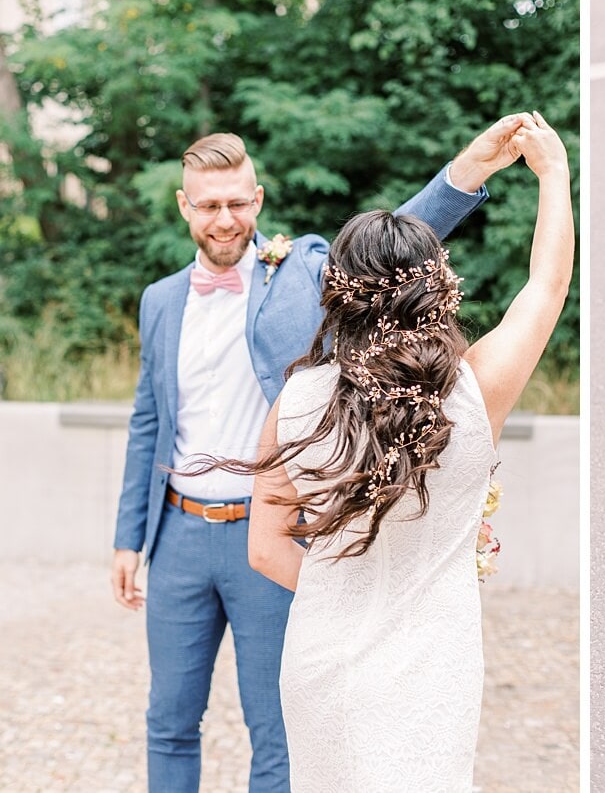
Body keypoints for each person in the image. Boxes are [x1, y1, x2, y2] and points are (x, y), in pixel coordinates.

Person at [109, 114, 526, 792]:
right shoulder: (159, 302)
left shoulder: (298, 274)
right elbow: (147, 421)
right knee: (169, 719)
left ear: (259, 199)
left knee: (277, 728)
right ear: (184, 205)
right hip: (178, 533)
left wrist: (470, 169)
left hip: (269, 530)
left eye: (238, 203)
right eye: (209, 205)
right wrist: (130, 538)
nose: (225, 219)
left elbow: (394, 246)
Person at [210, 111, 570, 790]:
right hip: (435, 662)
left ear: (338, 293)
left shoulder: (295, 402)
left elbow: (266, 548)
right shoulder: (474, 391)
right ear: (432, 288)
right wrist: (553, 175)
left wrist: (345, 588)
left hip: (321, 659)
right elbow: (546, 288)